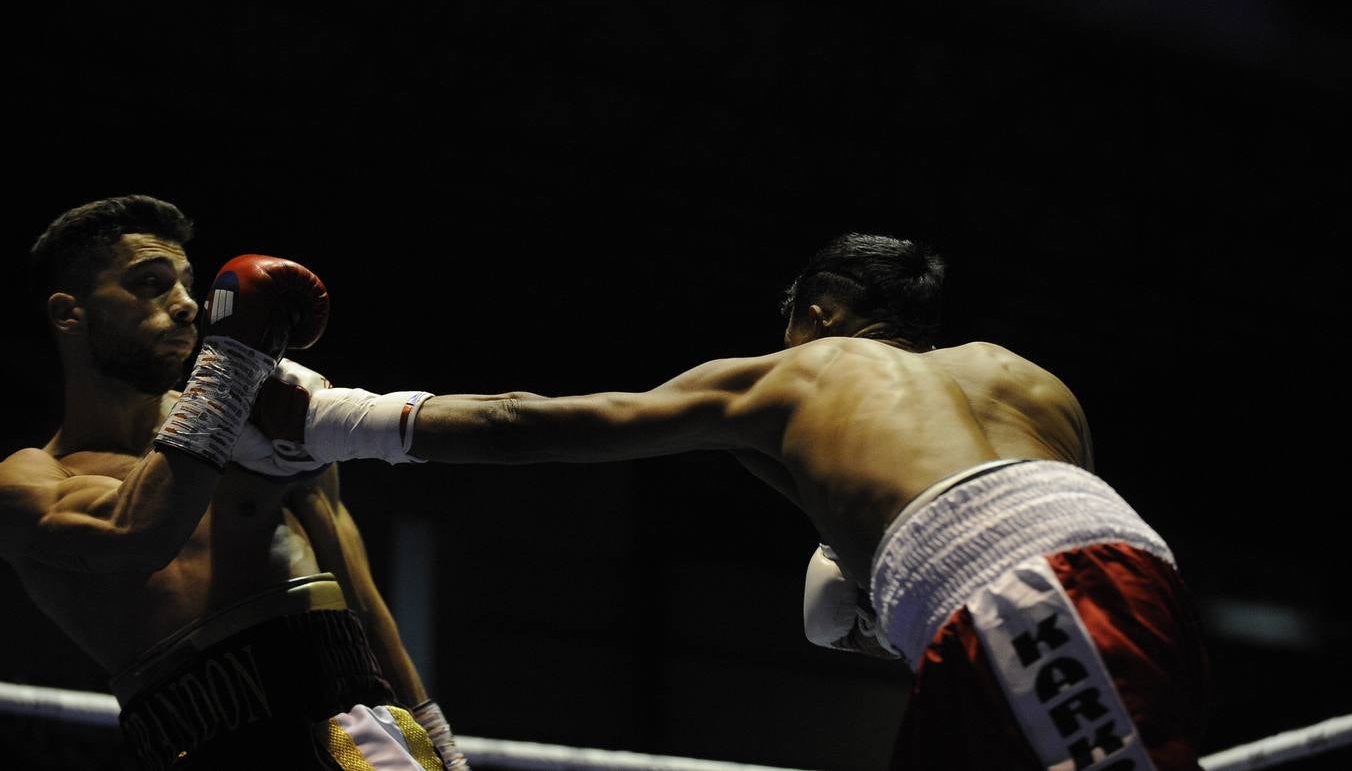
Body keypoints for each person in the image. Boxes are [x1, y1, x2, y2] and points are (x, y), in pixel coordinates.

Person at [258, 231, 1210, 770]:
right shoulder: (1027, 379)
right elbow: (1059, 521)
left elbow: (533, 421)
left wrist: (340, 417)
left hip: (1024, 596)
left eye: (788, 320)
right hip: (1084, 586)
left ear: (823, 308)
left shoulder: (801, 373)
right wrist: (886, 596)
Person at [0, 195, 468, 770]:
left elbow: (358, 595)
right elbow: (132, 534)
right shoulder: (28, 481)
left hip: (345, 725)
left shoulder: (264, 423)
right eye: (150, 284)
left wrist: (435, 735)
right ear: (69, 314)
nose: (185, 306)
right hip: (188, 741)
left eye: (186, 285)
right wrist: (229, 373)